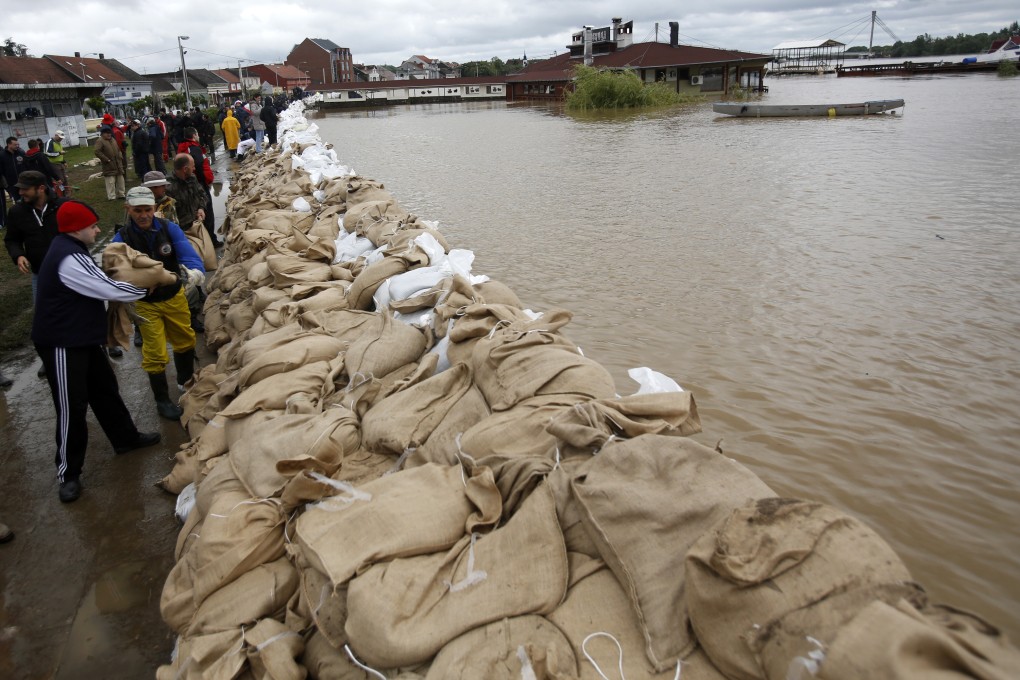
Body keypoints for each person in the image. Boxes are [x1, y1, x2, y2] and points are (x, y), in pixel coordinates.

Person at [33, 199, 161, 502]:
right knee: (71, 406)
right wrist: (148, 288)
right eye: (92, 226)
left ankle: (125, 438)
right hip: (61, 342)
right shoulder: (67, 258)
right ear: (77, 229)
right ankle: (68, 473)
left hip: (82, 337)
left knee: (105, 389)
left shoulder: (71, 248)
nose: (98, 230)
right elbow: (106, 288)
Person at [112, 186, 204, 420]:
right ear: (128, 209)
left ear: (154, 209)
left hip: (173, 296)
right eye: (137, 210)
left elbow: (187, 254)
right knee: (154, 351)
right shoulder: (122, 238)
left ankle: (185, 381)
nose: (143, 215)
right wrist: (134, 284)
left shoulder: (168, 229)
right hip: (144, 304)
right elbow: (114, 271)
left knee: (184, 338)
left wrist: (193, 272)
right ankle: (162, 400)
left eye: (148, 210)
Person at [176, 128, 220, 247]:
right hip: (199, 183)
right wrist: (204, 181)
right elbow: (199, 166)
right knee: (207, 212)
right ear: (194, 135)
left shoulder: (183, 146)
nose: (199, 136)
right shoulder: (194, 148)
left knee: (196, 212)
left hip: (192, 183)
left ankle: (201, 240)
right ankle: (211, 240)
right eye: (197, 134)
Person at [94, 126, 126, 200]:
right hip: (109, 164)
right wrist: (106, 159)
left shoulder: (113, 139)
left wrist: (120, 155)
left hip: (118, 163)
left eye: (110, 133)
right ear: (102, 134)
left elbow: (118, 149)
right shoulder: (100, 141)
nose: (109, 134)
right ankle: (111, 196)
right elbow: (97, 151)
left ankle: (121, 194)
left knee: (121, 180)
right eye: (107, 133)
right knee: (110, 181)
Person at [44, 130, 72, 197]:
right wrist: (59, 153)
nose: (61, 139)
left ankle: (66, 193)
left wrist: (63, 162)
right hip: (53, 164)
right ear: (55, 135)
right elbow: (47, 153)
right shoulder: (49, 142)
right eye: (59, 137)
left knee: (65, 179)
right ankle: (59, 194)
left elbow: (59, 153)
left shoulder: (58, 143)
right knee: (60, 180)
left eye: (62, 138)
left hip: (60, 164)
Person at [1, 136, 27, 204]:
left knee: (28, 201)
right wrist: (6, 186)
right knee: (18, 203)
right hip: (12, 185)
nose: (17, 146)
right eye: (15, 144)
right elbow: (1, 172)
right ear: (9, 144)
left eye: (17, 144)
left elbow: (27, 166)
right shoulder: (2, 155)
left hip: (24, 183)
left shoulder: (21, 153)